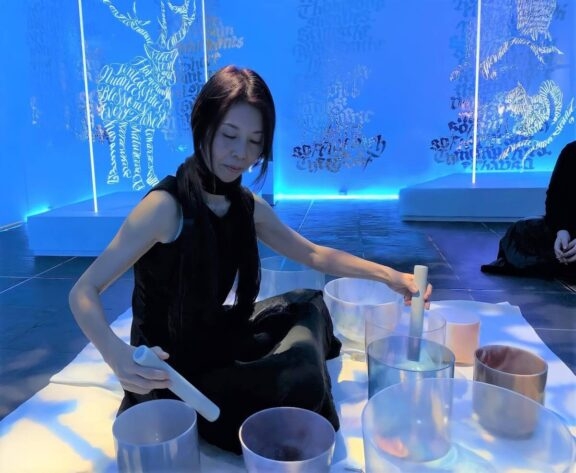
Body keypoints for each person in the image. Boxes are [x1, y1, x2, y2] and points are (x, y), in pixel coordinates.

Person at [69, 65, 433, 454]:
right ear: (202, 126)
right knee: (300, 383)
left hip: (216, 337)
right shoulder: (165, 207)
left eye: (255, 142)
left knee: (309, 303)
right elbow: (83, 290)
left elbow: (313, 253)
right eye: (229, 135)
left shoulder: (246, 206)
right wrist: (116, 354)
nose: (241, 153)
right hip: (171, 371)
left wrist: (390, 276)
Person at [481, 140, 576, 278]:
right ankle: (562, 258)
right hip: (569, 231)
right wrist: (561, 230)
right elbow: (554, 198)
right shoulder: (571, 151)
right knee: (519, 231)